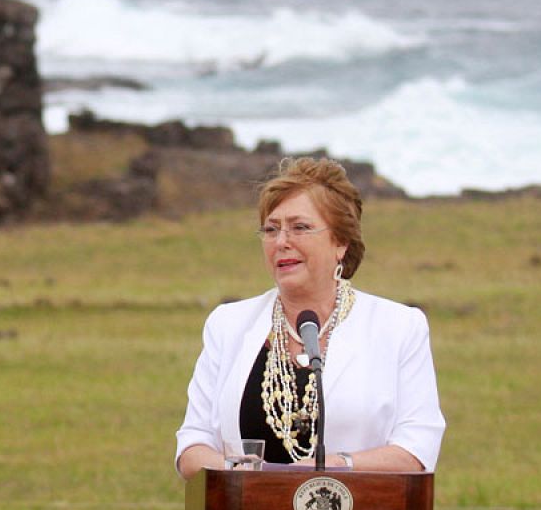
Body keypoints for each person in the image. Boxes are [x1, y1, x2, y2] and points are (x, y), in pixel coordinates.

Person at [175, 157, 445, 477]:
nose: (281, 242)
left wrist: (333, 466)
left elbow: (416, 451)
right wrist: (247, 476)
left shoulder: (399, 327)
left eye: (300, 227)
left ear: (341, 242)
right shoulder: (228, 324)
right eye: (271, 229)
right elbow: (192, 445)